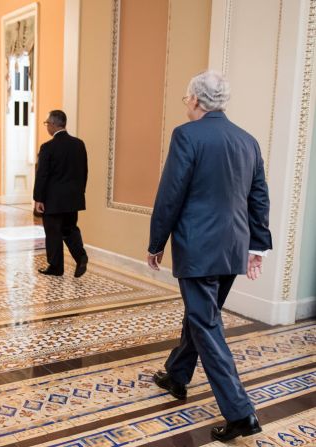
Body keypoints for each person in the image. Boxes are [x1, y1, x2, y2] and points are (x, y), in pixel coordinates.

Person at [147, 70, 272, 442]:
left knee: (206, 323)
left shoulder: (187, 135)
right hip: (233, 247)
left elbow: (171, 194)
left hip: (198, 248)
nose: (185, 103)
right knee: (202, 316)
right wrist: (257, 245)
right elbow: (258, 197)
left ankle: (240, 413)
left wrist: (157, 242)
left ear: (197, 101)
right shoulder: (247, 140)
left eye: (186, 98)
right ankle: (177, 375)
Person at [33, 110, 89, 277]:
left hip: (53, 200)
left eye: (47, 123)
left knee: (53, 233)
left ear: (53, 124)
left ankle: (56, 267)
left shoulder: (47, 147)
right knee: (70, 229)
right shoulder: (79, 144)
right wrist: (79, 193)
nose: (47, 126)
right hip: (73, 198)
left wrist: (38, 199)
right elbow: (84, 172)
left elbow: (42, 175)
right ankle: (81, 256)